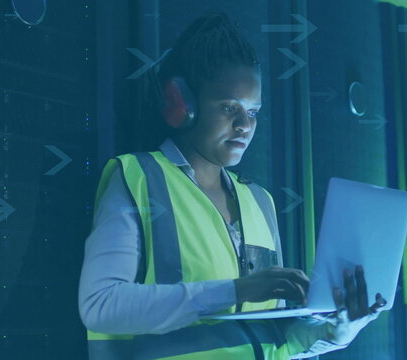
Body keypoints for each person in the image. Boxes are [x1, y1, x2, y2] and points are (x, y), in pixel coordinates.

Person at [78, 11, 386, 360]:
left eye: (253, 112)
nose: (244, 126)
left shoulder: (260, 201)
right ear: (182, 105)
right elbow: (100, 306)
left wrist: (338, 330)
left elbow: (275, 338)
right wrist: (235, 290)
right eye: (229, 108)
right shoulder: (137, 177)